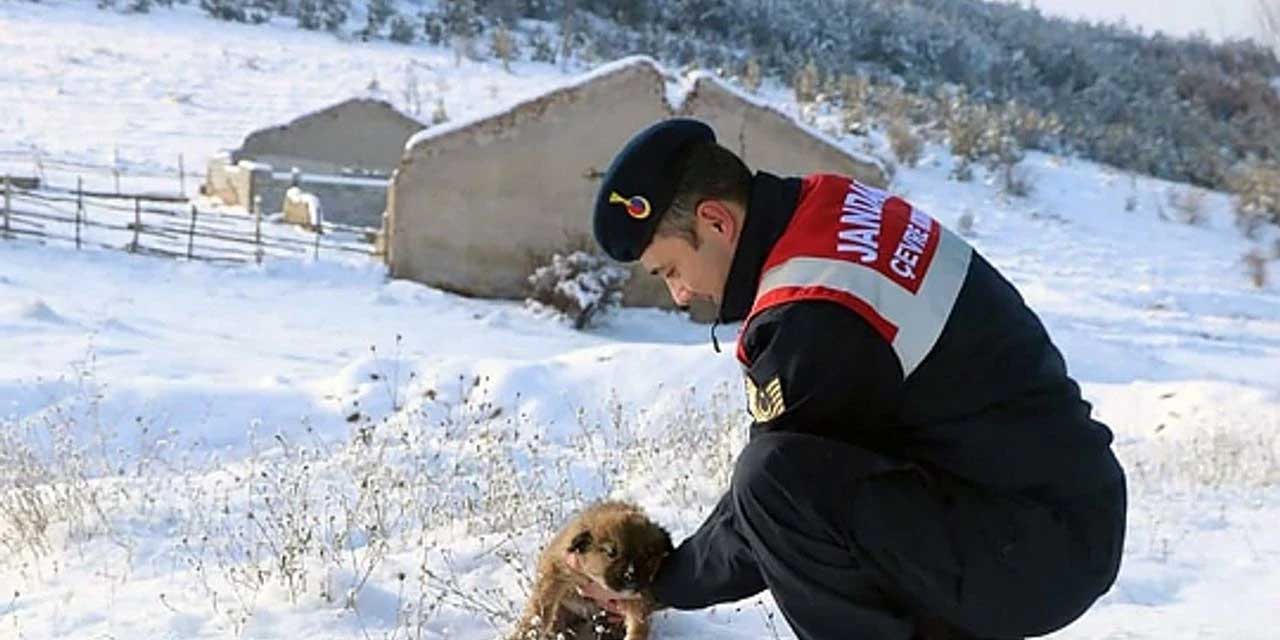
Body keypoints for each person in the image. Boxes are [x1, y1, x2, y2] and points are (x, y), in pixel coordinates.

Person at [579, 118, 1126, 640]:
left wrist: (658, 583)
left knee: (770, 479)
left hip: (1033, 548)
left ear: (716, 221)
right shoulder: (828, 206)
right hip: (1058, 507)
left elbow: (769, 506)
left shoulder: (810, 312)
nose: (678, 294)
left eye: (670, 270)